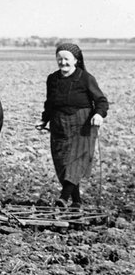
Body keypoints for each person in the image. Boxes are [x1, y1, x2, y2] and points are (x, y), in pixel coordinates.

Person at [36, 43, 108, 209]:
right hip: (58, 125)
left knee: (76, 162)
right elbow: (50, 103)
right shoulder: (52, 79)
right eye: (59, 59)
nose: (63, 62)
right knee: (62, 164)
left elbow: (101, 101)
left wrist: (98, 114)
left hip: (83, 125)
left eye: (66, 59)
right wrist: (44, 120)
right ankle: (76, 202)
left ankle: (63, 198)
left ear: (76, 60)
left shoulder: (85, 78)